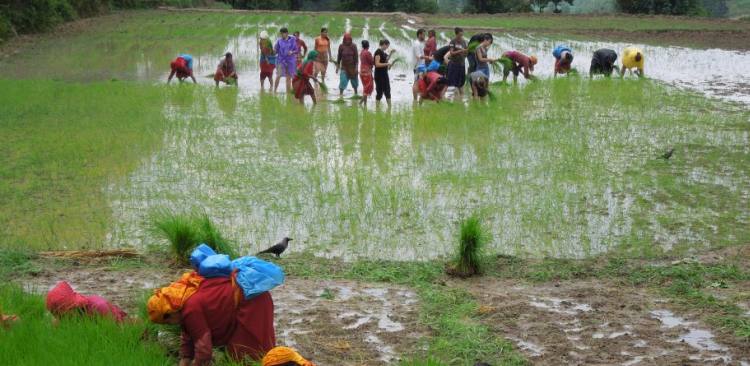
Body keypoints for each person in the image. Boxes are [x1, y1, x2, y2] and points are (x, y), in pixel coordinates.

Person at [148, 274, 276, 365]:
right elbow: (189, 334)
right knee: (236, 354)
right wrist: (185, 358)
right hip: (247, 296)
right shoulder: (184, 301)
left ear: (170, 312)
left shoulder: (190, 309)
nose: (170, 325)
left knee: (244, 353)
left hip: (253, 300)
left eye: (167, 321)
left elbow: (204, 349)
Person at [46, 281, 127, 323]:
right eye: (60, 316)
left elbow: (118, 334)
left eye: (64, 315)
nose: (63, 319)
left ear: (74, 306)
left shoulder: (99, 307)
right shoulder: (64, 320)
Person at [274, 28, 299, 93]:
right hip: (281, 61)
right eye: (281, 34)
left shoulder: (293, 40)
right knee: (278, 75)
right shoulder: (279, 41)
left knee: (289, 77)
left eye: (283, 33)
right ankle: (274, 91)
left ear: (287, 33)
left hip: (290, 61)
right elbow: (276, 51)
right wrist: (273, 50)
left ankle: (288, 93)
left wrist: (292, 52)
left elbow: (296, 50)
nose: (282, 35)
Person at [336, 33, 359, 97]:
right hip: (344, 67)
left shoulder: (354, 46)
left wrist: (356, 68)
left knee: (355, 82)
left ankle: (356, 93)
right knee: (343, 81)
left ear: (351, 39)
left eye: (349, 39)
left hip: (352, 67)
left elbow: (356, 58)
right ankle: (341, 94)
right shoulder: (341, 46)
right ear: (344, 40)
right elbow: (339, 57)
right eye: (346, 40)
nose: (348, 41)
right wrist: (337, 67)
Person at [447, 27, 468, 96]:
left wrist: (466, 53)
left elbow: (465, 53)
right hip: (454, 64)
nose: (461, 37)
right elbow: (451, 53)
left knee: (461, 82)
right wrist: (461, 51)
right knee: (453, 82)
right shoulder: (453, 42)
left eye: (462, 35)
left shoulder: (464, 41)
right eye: (459, 35)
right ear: (456, 34)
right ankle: (453, 97)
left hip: (462, 64)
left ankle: (461, 97)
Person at [374, 39, 393, 107]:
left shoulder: (383, 52)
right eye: (387, 46)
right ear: (384, 44)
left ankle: (389, 107)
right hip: (379, 75)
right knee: (379, 92)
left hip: (384, 74)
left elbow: (386, 59)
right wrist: (387, 64)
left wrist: (391, 53)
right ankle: (377, 108)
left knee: (387, 90)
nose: (387, 47)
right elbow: (377, 64)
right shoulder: (378, 52)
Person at [411, 28, 428, 100]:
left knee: (420, 81)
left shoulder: (420, 43)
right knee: (416, 82)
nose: (424, 36)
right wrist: (428, 57)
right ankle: (415, 99)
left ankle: (419, 97)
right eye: (423, 35)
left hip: (421, 65)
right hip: (418, 66)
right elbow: (418, 56)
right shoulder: (417, 44)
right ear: (419, 35)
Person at [359, 40, 374, 106]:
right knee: (367, 88)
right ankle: (360, 103)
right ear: (368, 46)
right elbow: (372, 61)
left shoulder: (361, 52)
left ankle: (365, 104)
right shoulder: (368, 53)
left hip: (362, 71)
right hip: (367, 72)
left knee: (365, 87)